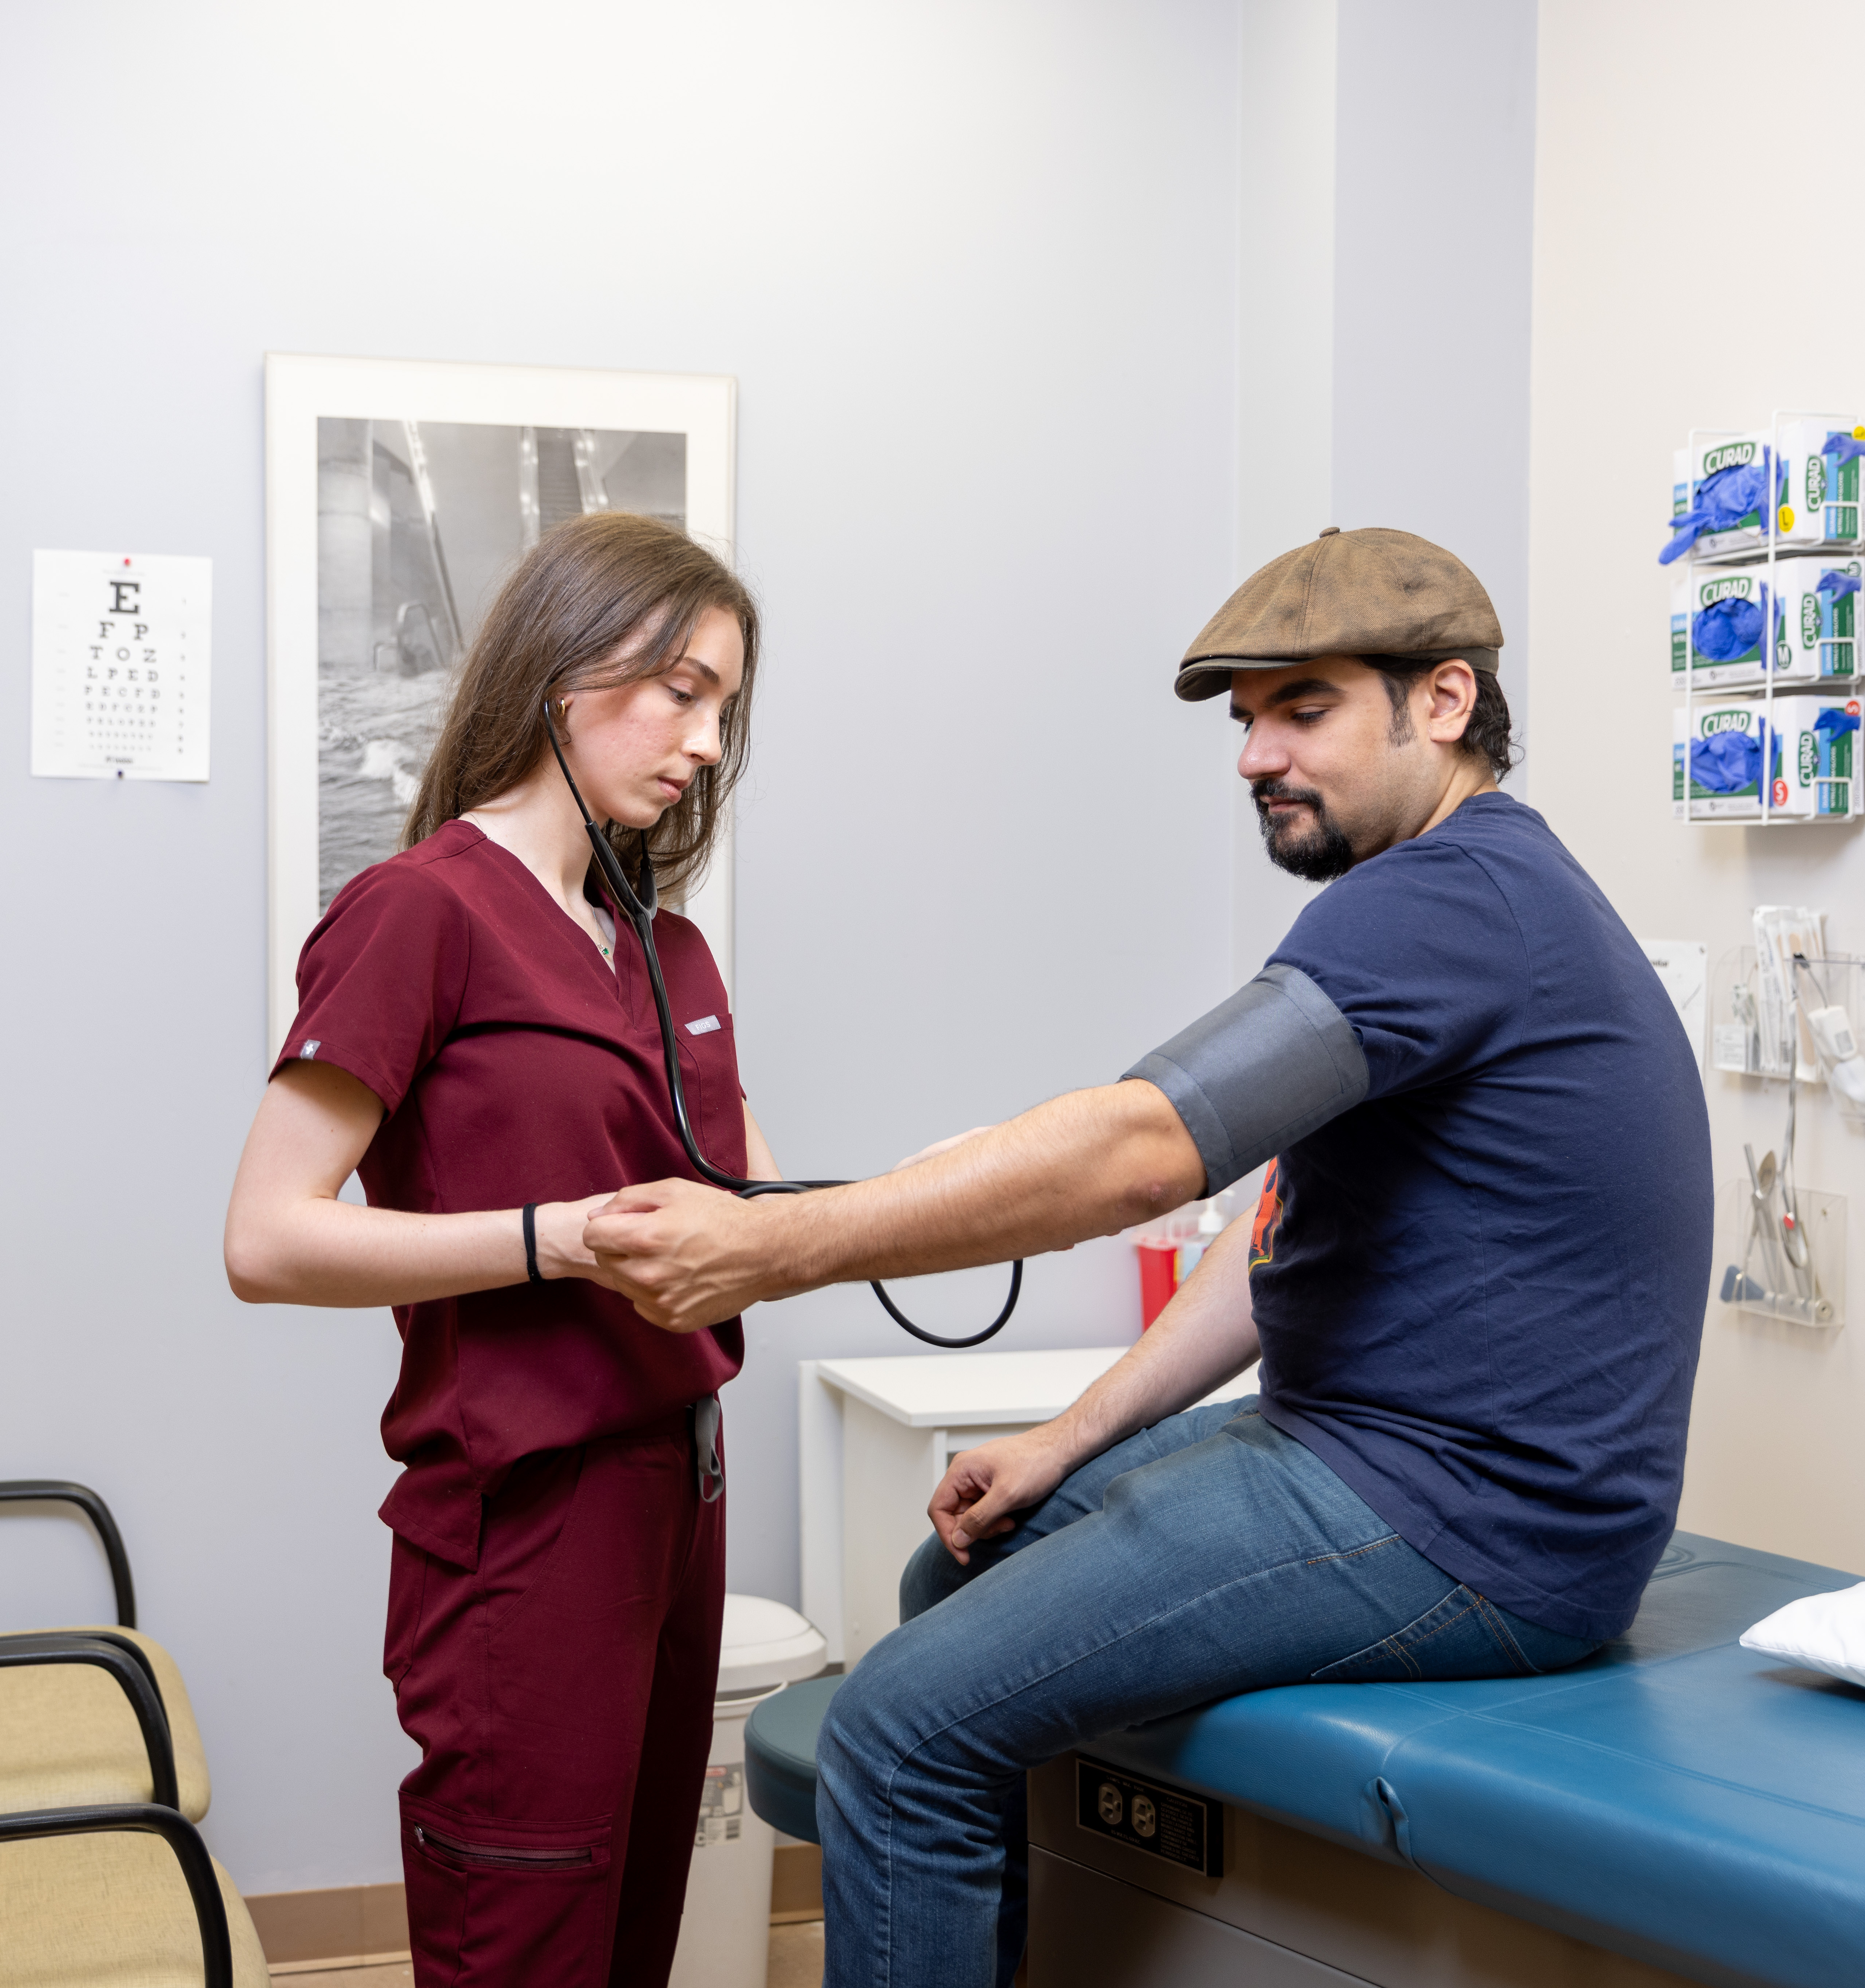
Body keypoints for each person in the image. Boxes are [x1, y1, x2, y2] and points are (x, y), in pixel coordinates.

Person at [583, 527, 1713, 1988]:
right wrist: (1065, 1436)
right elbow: (1276, 1243)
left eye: (1299, 708)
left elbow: (1136, 1150)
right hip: (1378, 1455)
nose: (1253, 753)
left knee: (892, 1730)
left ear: (1441, 703)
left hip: (1476, 1525)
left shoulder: (1446, 903)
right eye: (1245, 720)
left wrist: (766, 1244)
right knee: (953, 1569)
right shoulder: (1446, 902)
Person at [223, 511, 776, 1988]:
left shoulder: (665, 951)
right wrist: (558, 1243)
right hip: (525, 1513)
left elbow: (761, 1209)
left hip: (684, 1482)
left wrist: (968, 1193)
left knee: (632, 1928)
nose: (705, 740)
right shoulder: (420, 912)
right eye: (679, 688)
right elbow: (266, 1236)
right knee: (522, 1939)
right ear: (561, 664)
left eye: (724, 706)